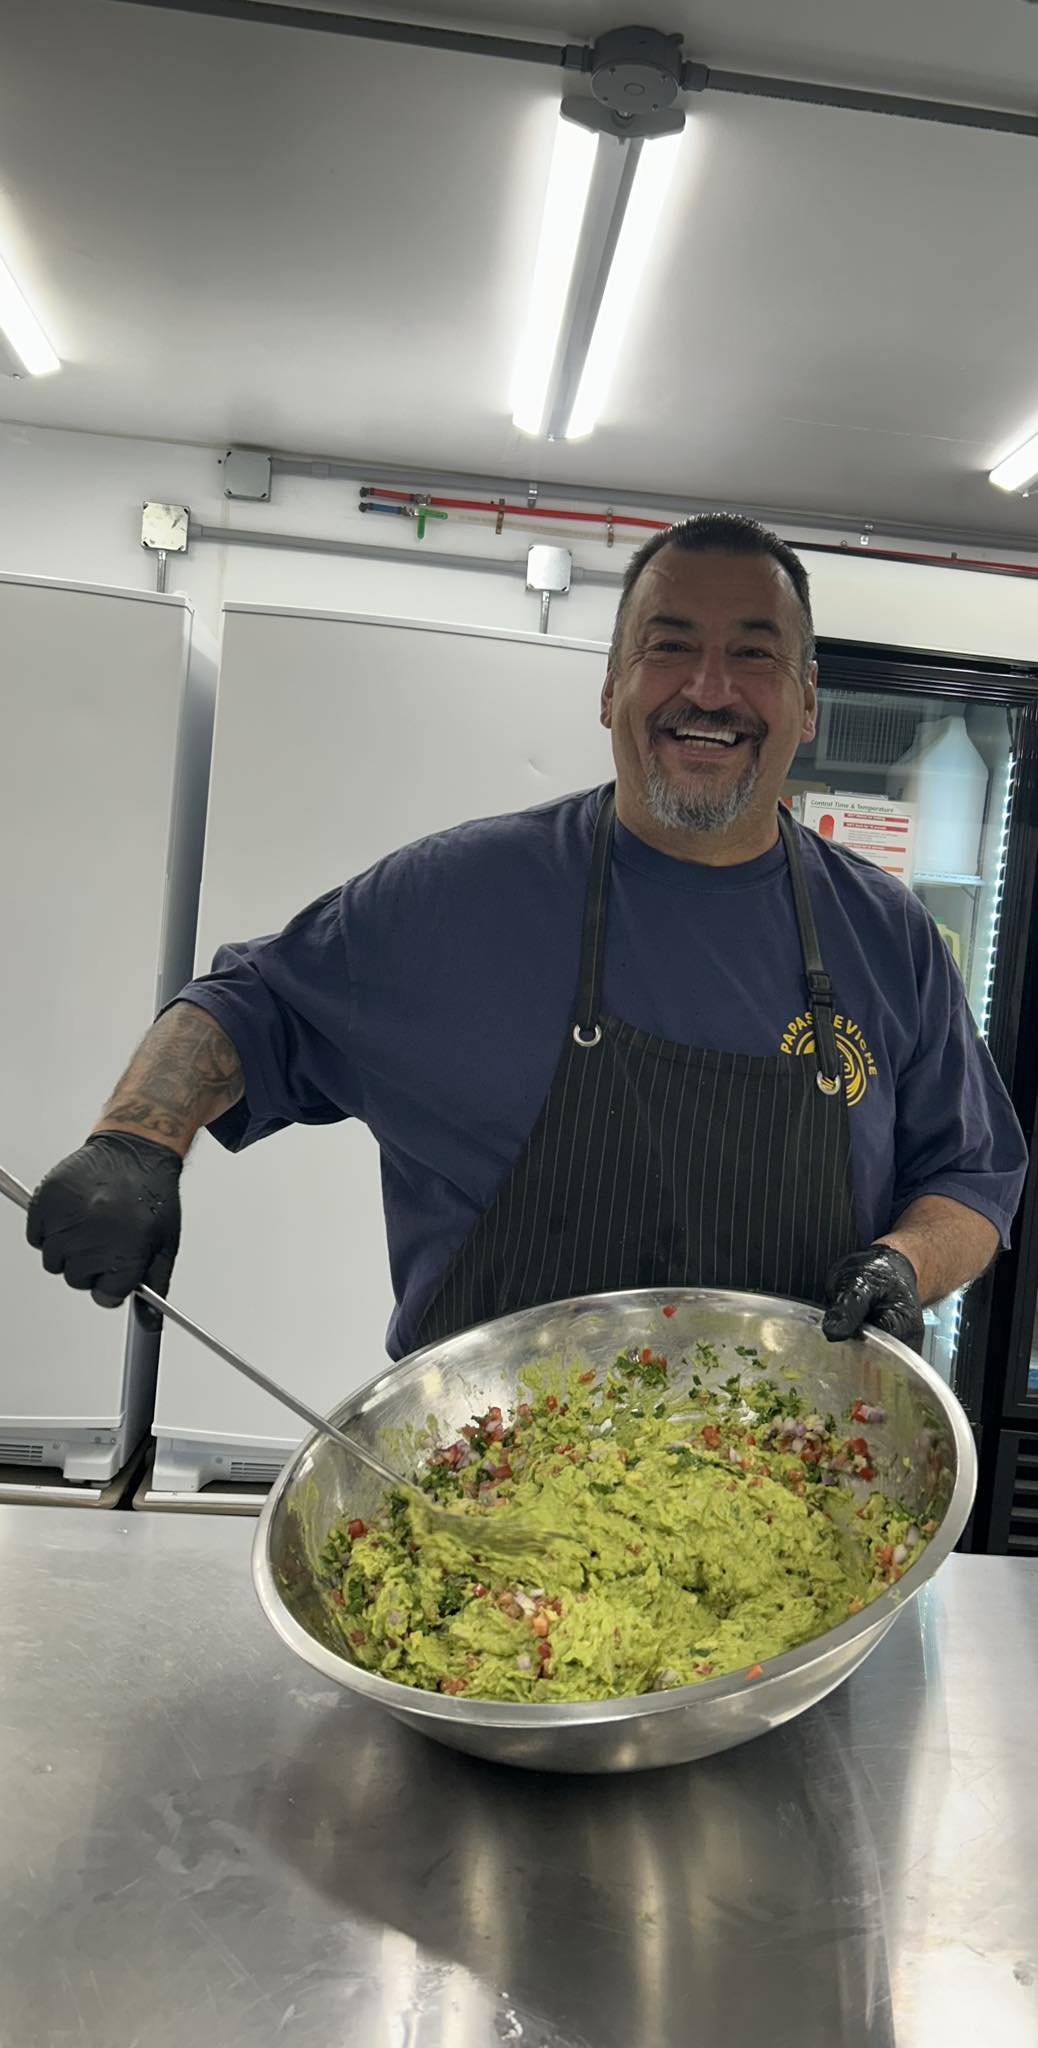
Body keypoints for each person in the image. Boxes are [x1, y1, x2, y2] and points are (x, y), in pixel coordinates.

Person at [26, 513, 1027, 1358]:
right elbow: (252, 1002)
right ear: (609, 688)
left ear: (807, 702)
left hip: (790, 1516)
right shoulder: (455, 896)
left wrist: (907, 1262)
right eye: (669, 644)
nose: (711, 688)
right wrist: (134, 1140)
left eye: (755, 653)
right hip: (482, 1503)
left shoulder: (888, 937)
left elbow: (969, 1178)